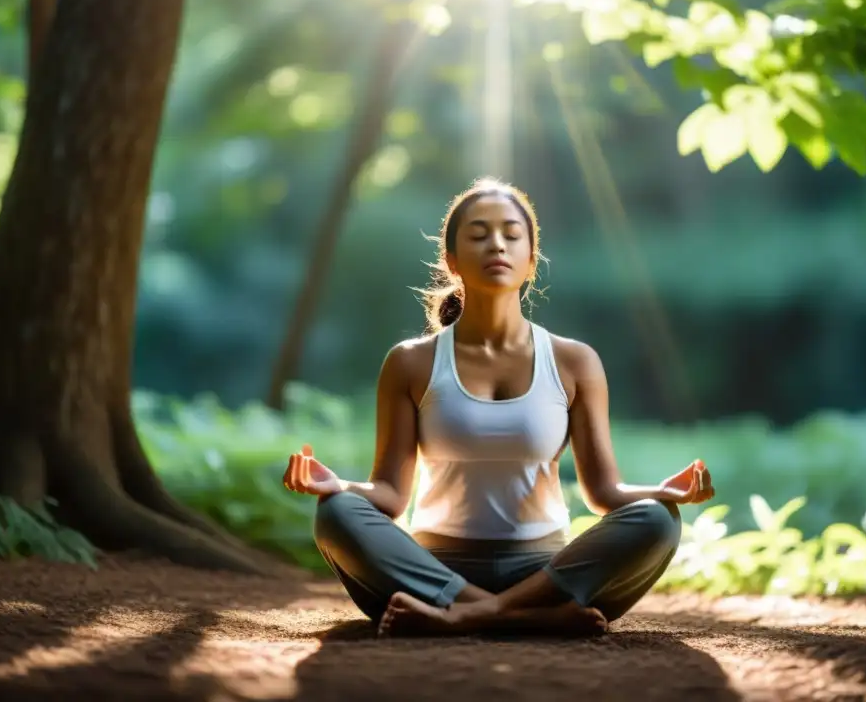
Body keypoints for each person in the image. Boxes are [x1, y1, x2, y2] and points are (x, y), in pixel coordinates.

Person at [282, 177, 715, 638]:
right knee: (336, 513)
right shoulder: (410, 362)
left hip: (543, 574)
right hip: (432, 573)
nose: (496, 244)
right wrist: (338, 485)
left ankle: (469, 618)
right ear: (451, 261)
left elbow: (603, 491)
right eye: (478, 233)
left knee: (657, 520)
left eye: (511, 234)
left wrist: (662, 492)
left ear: (531, 261)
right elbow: (390, 494)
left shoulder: (574, 362)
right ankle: (523, 620)